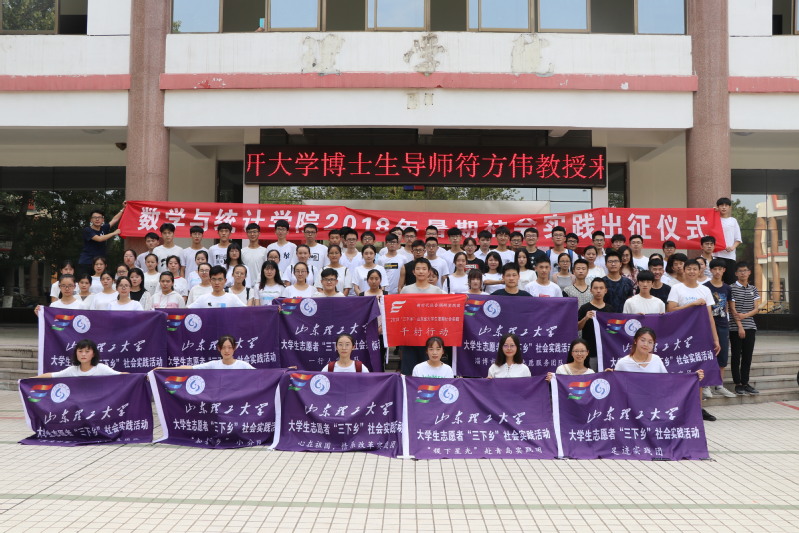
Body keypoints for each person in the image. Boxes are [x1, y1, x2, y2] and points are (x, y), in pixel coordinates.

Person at [612, 327, 714, 422]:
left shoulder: (656, 360)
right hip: (632, 411)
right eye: (642, 340)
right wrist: (610, 376)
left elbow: (667, 382)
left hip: (654, 409)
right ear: (635, 341)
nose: (645, 344)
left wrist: (693, 377)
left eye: (650, 342)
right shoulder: (623, 363)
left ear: (653, 345)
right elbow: (616, 388)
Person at [666, 259, 721, 356]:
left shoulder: (705, 290)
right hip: (681, 332)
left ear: (699, 271)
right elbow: (671, 310)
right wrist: (692, 304)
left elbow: (709, 317)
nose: (692, 271)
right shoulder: (676, 288)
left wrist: (716, 339)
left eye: (695, 269)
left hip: (699, 332)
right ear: (684, 270)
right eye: (689, 269)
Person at [399, 259, 444, 376]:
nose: (421, 271)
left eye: (424, 269)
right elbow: (400, 312)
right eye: (418, 269)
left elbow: (443, 310)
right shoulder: (406, 290)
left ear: (429, 272)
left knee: (427, 371)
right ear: (413, 272)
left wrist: (462, 300)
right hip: (410, 336)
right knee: (408, 372)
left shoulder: (436, 291)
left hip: (429, 336)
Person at [704, 258, 736, 398]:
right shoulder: (705, 287)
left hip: (723, 324)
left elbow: (728, 306)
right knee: (708, 354)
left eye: (720, 269)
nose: (717, 272)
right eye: (715, 269)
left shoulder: (727, 288)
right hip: (707, 325)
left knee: (722, 355)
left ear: (724, 270)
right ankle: (706, 385)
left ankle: (719, 385)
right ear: (710, 270)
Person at [729, 261, 760, 396]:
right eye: (740, 271)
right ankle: (738, 384)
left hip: (751, 326)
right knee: (736, 356)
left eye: (745, 270)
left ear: (749, 272)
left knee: (747, 356)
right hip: (735, 327)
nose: (743, 273)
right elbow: (732, 309)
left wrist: (745, 316)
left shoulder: (753, 289)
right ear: (736, 273)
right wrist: (740, 326)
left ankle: (745, 382)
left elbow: (756, 309)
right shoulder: (731, 288)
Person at [33, 339, 123, 378]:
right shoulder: (72, 370)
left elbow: (121, 375)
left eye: (87, 351)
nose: (83, 354)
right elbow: (52, 375)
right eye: (80, 351)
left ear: (93, 354)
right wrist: (30, 379)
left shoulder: (102, 368)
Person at [577, 278, 614, 371]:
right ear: (591, 290)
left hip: (606, 351)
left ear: (605, 290)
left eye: (601, 288)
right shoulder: (585, 308)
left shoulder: (610, 309)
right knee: (590, 375)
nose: (598, 291)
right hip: (590, 351)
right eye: (595, 288)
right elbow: (577, 327)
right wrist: (585, 318)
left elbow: (615, 329)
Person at [78, 206, 125, 275]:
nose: (97, 219)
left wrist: (123, 209)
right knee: (85, 281)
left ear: (103, 219)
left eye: (99, 217)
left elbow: (115, 219)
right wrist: (114, 233)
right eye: (94, 217)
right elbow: (99, 239)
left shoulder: (103, 228)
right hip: (87, 262)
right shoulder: (87, 230)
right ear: (91, 220)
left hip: (99, 263)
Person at [166, 335, 255, 370]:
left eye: (229, 347)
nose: (226, 351)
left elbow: (259, 376)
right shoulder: (213, 365)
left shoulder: (243, 365)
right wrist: (162, 369)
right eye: (223, 348)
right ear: (219, 348)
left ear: (234, 348)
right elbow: (190, 368)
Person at [715, 197, 742, 285]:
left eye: (726, 205)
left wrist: (732, 247)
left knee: (730, 281)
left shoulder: (733, 221)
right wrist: (713, 212)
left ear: (730, 207)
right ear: (718, 207)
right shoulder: (714, 219)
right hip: (716, 255)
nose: (723, 207)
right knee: (716, 280)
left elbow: (738, 239)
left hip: (729, 256)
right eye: (721, 205)